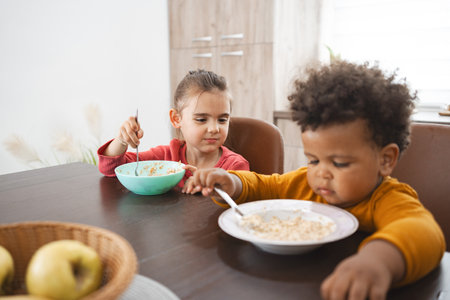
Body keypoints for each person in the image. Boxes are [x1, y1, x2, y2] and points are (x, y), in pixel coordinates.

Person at [183, 61, 446, 300]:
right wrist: (232, 182)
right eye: (313, 159)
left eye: (340, 163)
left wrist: (378, 261)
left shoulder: (387, 198)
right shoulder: (305, 184)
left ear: (385, 160)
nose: (321, 173)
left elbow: (423, 231)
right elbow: (267, 186)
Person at [97, 69, 249, 186]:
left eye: (222, 120)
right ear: (176, 119)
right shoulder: (166, 156)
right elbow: (110, 168)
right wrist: (122, 140)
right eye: (202, 119)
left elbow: (241, 201)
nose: (214, 128)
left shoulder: (235, 166)